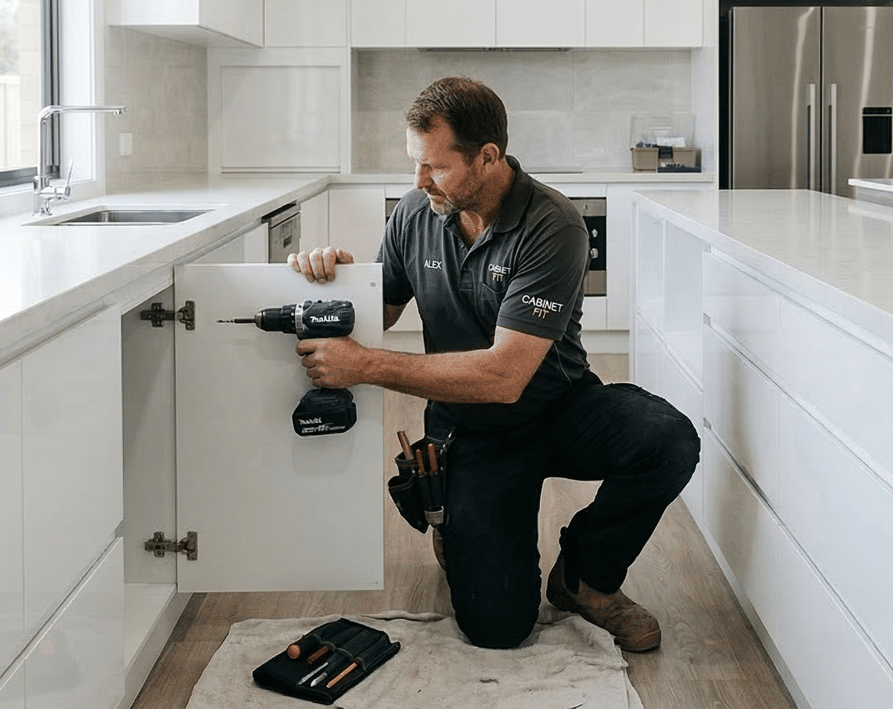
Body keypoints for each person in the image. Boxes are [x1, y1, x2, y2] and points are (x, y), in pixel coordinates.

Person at [287, 76, 700, 652]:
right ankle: (452, 520)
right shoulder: (414, 214)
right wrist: (336, 277)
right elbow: (377, 311)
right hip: (469, 430)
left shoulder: (552, 226)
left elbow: (505, 377)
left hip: (559, 405)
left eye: (435, 167)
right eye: (415, 164)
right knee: (498, 629)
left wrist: (367, 366)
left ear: (488, 156)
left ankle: (587, 580)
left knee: (668, 438)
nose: (418, 181)